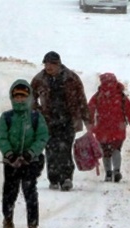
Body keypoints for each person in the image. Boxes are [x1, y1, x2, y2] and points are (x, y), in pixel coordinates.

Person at [31, 51, 92, 191]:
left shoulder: (72, 78)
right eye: (45, 63)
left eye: (51, 64)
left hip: (68, 120)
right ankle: (53, 178)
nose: (48, 67)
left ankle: (66, 178)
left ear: (58, 64)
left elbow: (81, 99)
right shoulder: (39, 79)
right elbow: (31, 98)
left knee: (65, 150)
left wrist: (87, 120)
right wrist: (37, 112)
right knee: (51, 149)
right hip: (48, 122)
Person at [0, 79, 49, 228]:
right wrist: (9, 154)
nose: (20, 99)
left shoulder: (36, 117)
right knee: (9, 192)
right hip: (10, 162)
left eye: (23, 96)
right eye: (17, 96)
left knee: (30, 192)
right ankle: (8, 219)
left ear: (29, 97)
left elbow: (42, 137)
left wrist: (30, 153)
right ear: (12, 98)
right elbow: (1, 137)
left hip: (30, 161)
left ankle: (33, 224)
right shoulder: (6, 117)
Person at [88, 72, 130, 182]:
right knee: (116, 150)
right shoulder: (121, 96)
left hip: (103, 128)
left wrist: (90, 123)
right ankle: (116, 171)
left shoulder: (98, 96)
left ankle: (109, 173)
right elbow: (129, 111)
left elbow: (90, 109)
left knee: (106, 152)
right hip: (117, 129)